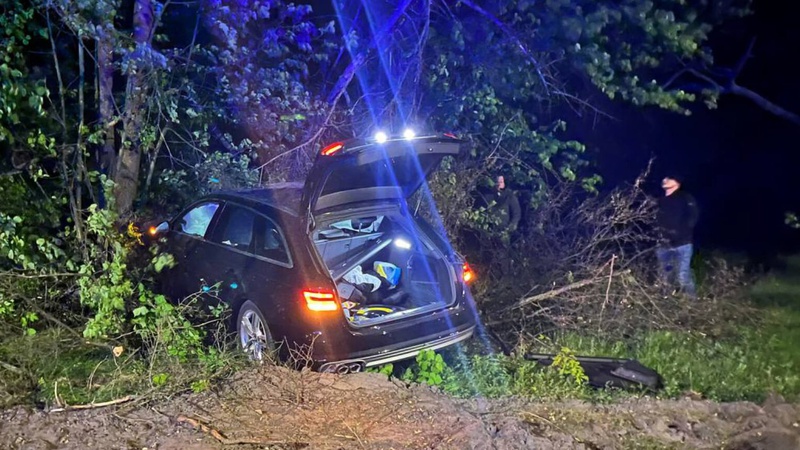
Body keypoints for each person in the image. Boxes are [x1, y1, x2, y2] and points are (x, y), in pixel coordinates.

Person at [655, 174, 699, 298]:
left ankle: (694, 305)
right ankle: (667, 306)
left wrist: (682, 231)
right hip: (663, 246)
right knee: (665, 277)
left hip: (682, 244)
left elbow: (693, 216)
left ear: (677, 182)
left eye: (669, 178)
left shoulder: (685, 198)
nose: (665, 180)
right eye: (664, 178)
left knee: (682, 277)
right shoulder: (659, 201)